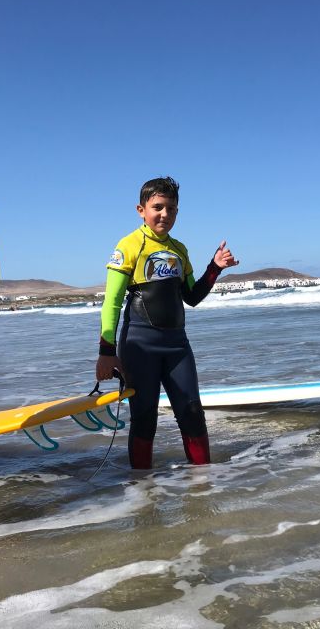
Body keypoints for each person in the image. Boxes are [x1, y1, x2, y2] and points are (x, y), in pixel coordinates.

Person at [95, 177, 238, 469]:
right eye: (157, 207)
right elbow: (112, 302)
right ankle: (141, 488)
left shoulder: (179, 249)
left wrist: (214, 268)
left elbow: (192, 297)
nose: (165, 214)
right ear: (141, 210)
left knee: (192, 413)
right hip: (139, 346)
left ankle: (203, 483)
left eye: (171, 209)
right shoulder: (129, 245)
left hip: (177, 346)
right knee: (144, 418)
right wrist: (106, 351)